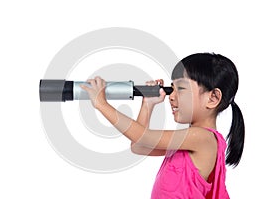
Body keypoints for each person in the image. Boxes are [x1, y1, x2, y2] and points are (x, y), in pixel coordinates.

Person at [80, 53, 245, 198]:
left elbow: (142, 137)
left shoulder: (202, 138)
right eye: (171, 89)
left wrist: (101, 104)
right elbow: (139, 146)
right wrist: (147, 104)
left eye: (180, 88)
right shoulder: (187, 140)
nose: (171, 97)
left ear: (213, 98)